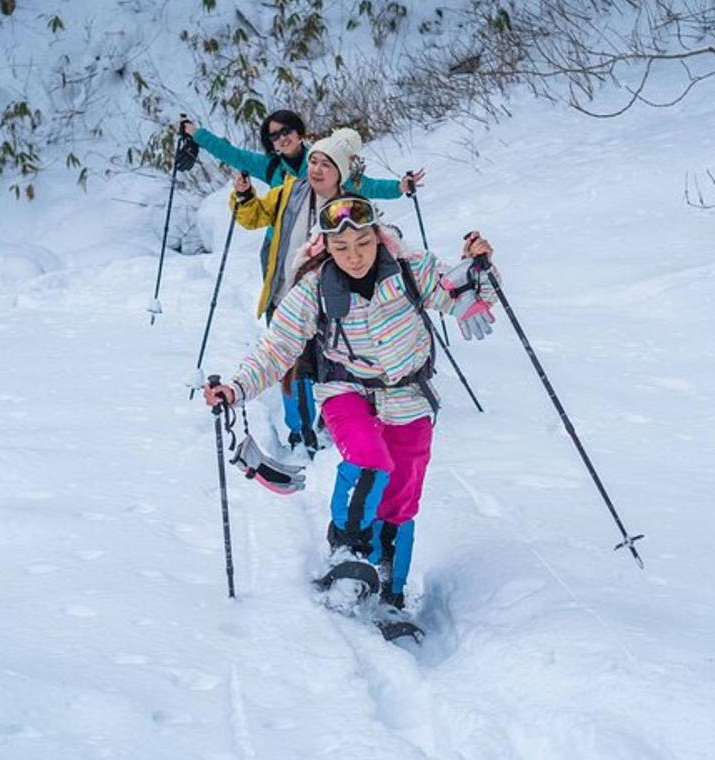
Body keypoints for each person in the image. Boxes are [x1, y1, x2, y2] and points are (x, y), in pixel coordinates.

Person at [203, 194, 498, 611]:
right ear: (326, 246)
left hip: (408, 392)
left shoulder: (411, 270)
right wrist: (235, 388)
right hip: (346, 389)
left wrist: (480, 269)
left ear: (377, 236)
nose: (353, 256)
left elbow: (462, 294)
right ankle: (348, 552)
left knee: (401, 494)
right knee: (366, 457)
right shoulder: (315, 288)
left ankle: (390, 588)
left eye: (362, 243)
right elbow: (277, 349)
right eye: (341, 248)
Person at [228, 126, 374, 454]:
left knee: (332, 367)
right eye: (314, 162)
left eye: (326, 164)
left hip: (333, 306)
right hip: (285, 295)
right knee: (292, 368)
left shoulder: (350, 206)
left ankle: (332, 423)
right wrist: (243, 196)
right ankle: (299, 430)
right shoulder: (289, 191)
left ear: (341, 172)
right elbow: (253, 217)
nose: (317, 170)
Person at [181, 110, 424, 197]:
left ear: (299, 132)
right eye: (274, 136)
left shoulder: (322, 159)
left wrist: (399, 188)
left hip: (318, 242)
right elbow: (230, 153)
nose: (282, 138)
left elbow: (363, 185)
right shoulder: (269, 166)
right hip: (277, 244)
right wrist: (196, 133)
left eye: (286, 131)